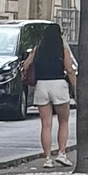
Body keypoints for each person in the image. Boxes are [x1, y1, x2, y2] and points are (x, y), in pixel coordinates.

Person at [28, 23, 75, 166]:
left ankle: (47, 158)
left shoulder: (38, 50)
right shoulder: (62, 49)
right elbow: (69, 69)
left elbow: (25, 66)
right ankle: (62, 153)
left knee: (46, 124)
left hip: (41, 85)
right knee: (63, 121)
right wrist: (75, 85)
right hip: (58, 84)